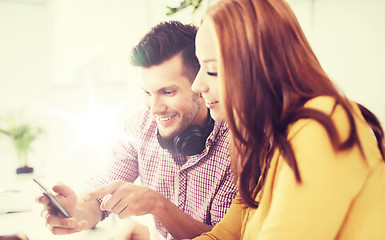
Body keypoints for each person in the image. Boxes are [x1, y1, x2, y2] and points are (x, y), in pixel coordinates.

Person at [115, 0, 385, 239]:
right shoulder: (265, 148)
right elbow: (225, 237)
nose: (197, 85)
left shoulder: (323, 126)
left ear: (260, 67)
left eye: (211, 71)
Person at [37, 21, 237, 240]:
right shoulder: (141, 126)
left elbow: (226, 237)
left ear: (200, 85)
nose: (154, 108)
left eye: (168, 92)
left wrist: (157, 205)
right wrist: (73, 212)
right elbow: (102, 194)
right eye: (147, 93)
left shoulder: (237, 143)